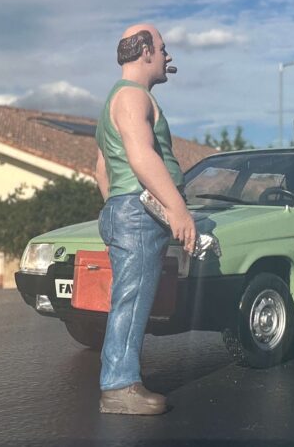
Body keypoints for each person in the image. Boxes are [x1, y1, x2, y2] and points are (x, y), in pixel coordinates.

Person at [94, 23, 196, 415]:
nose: (168, 57)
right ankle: (119, 387)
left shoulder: (113, 102)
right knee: (132, 300)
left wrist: (116, 211)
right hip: (139, 211)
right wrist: (176, 209)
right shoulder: (134, 98)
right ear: (144, 52)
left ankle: (120, 381)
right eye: (163, 49)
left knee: (128, 298)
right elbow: (141, 157)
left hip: (127, 209)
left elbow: (101, 169)